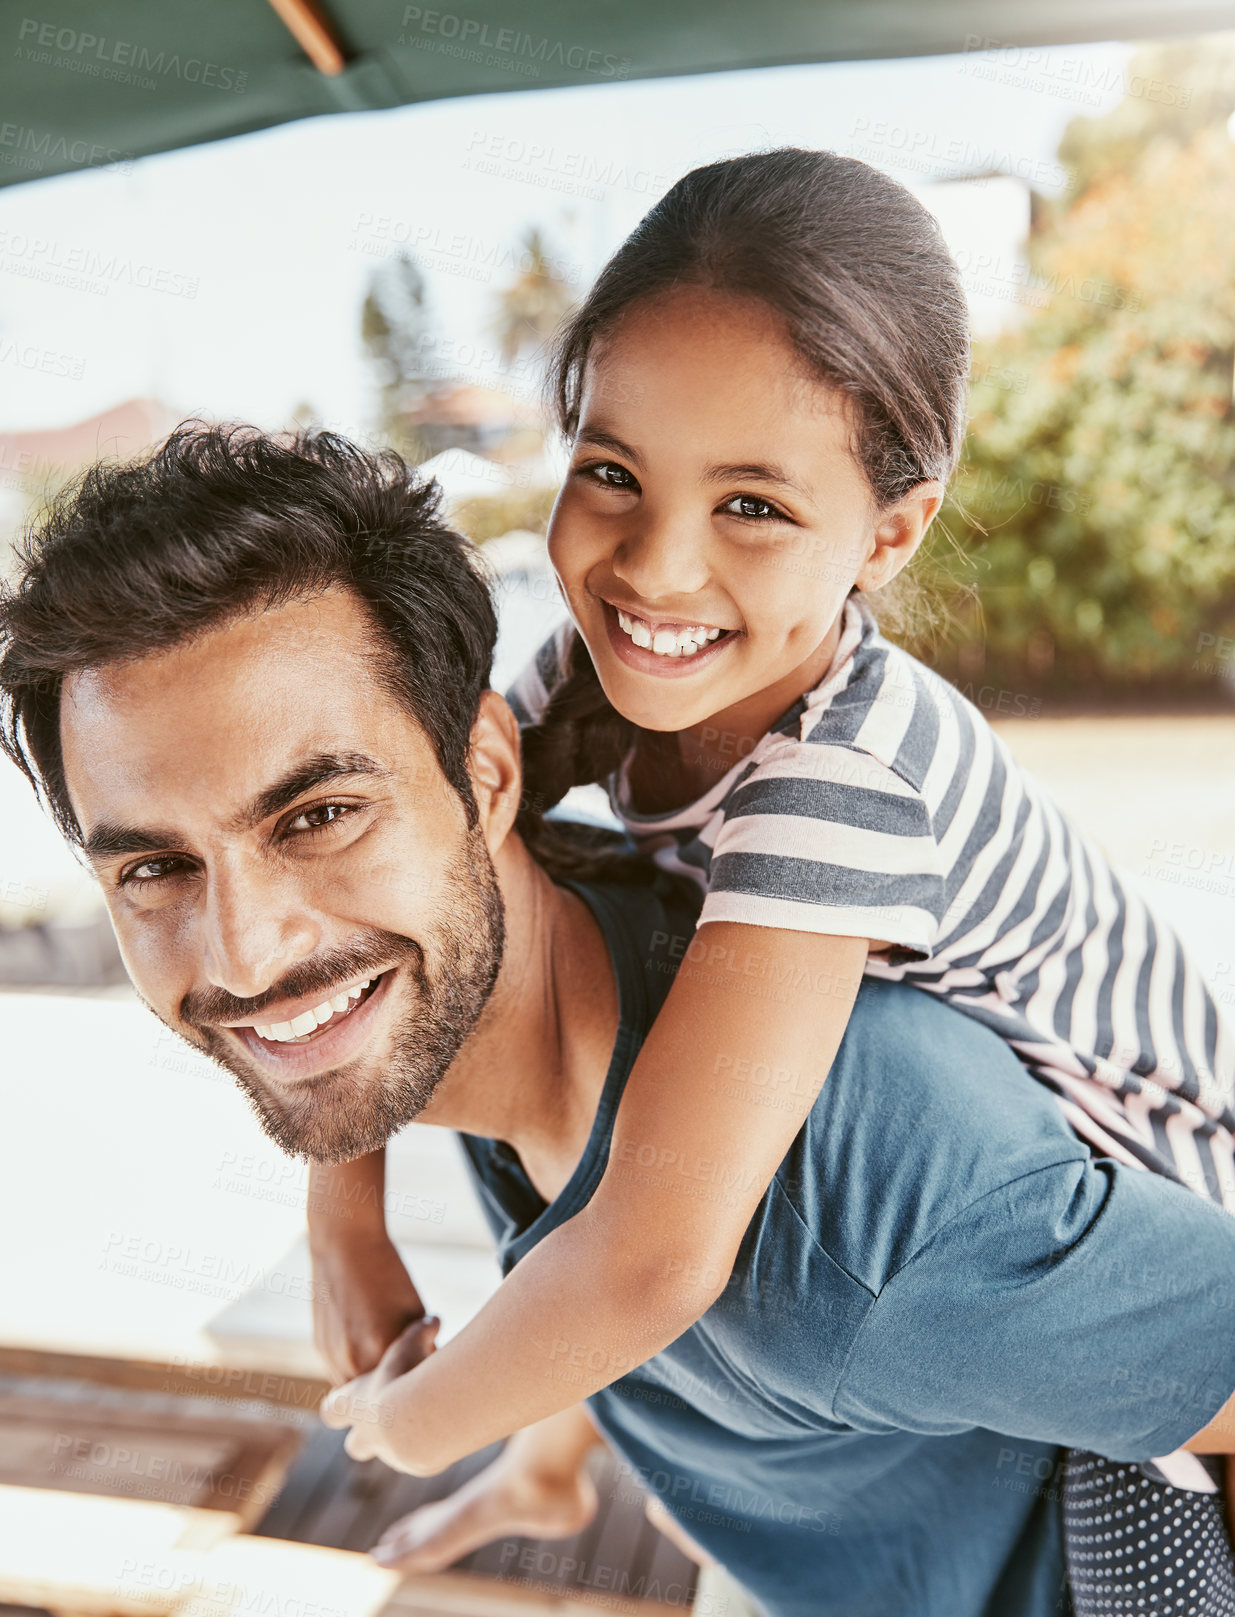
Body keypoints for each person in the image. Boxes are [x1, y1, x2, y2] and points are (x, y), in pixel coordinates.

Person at [4, 425, 1235, 1617]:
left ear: (488, 776)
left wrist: (413, 1422)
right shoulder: (513, 955)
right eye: (153, 869)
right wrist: (367, 1237)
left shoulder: (866, 1223)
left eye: (319, 816)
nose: (245, 951)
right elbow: (593, 1245)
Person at [346, 150, 1235, 1609]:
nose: (656, 568)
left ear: (886, 535)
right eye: (610, 473)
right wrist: (345, 1213)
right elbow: (404, 867)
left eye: (750, 505)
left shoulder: (840, 774)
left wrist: (410, 1419)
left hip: (1142, 1217)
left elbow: (651, 1255)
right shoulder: (583, 679)